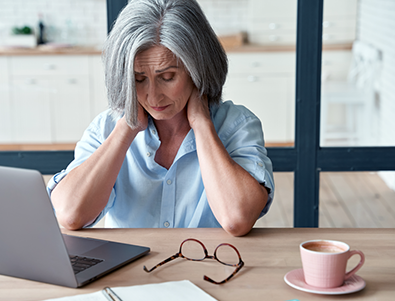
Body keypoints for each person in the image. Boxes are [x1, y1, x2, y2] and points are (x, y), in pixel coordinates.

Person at [48, 0, 274, 236]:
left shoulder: (236, 125)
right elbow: (71, 214)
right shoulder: (106, 129)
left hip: (209, 268)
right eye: (138, 79)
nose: (153, 95)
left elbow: (237, 219)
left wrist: (202, 125)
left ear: (198, 69)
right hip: (131, 272)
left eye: (167, 77)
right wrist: (126, 128)